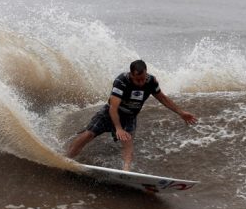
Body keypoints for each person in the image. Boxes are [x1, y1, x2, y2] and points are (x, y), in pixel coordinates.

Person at [67, 60, 197, 171]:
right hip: (110, 112)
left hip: (130, 116)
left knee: (127, 141)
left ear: (146, 72)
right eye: (137, 79)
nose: (141, 82)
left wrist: (181, 112)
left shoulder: (151, 81)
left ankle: (126, 171)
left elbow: (162, 98)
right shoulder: (121, 81)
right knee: (89, 134)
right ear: (131, 75)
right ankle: (66, 159)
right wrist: (118, 128)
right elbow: (113, 108)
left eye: (143, 78)